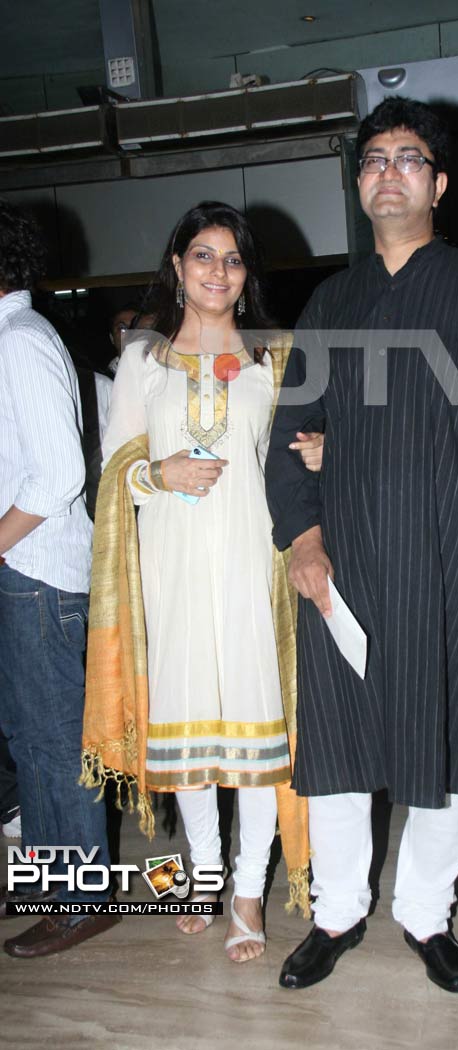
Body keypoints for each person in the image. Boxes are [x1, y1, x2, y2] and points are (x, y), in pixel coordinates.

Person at [265, 97, 458, 992]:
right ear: (360, 186)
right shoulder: (331, 301)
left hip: (452, 563)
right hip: (346, 571)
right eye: (372, 159)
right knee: (341, 754)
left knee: (445, 747)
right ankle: (337, 913)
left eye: (407, 157)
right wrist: (303, 541)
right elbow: (292, 437)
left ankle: (427, 918)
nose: (387, 170)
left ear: (438, 182)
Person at [81, 200, 321, 962]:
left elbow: (293, 456)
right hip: (172, 564)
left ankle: (247, 893)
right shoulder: (143, 359)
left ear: (247, 276)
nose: (219, 271)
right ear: (179, 267)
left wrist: (320, 453)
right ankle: (200, 876)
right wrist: (162, 469)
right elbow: (113, 471)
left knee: (255, 735)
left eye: (233, 259)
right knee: (185, 730)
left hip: (254, 558)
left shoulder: (274, 357)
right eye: (204, 256)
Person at [0, 198, 116, 956]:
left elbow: (61, 475)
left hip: (36, 573)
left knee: (48, 743)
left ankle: (81, 898)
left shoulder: (19, 340)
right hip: (29, 571)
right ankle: (56, 886)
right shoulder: (14, 338)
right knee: (29, 737)